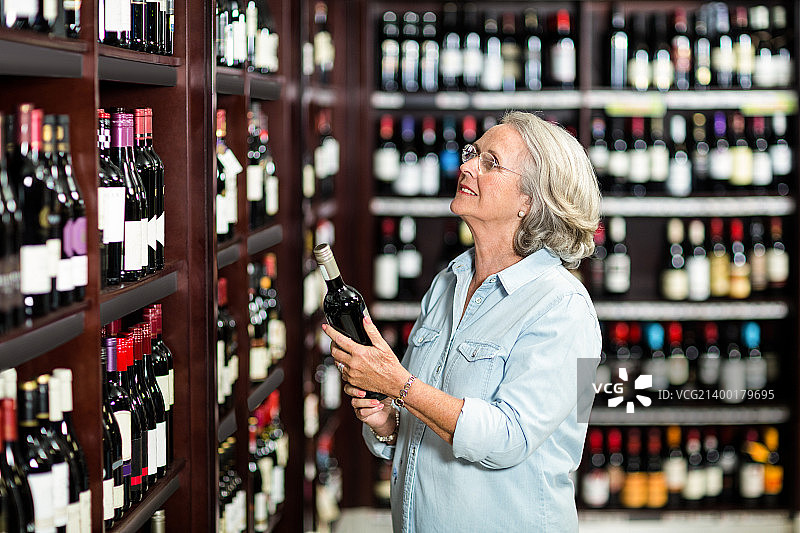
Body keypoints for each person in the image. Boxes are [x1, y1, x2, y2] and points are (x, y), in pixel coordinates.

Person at [322, 111, 602, 532]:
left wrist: (399, 384)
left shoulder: (563, 307)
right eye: (472, 153)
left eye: (490, 162)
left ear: (531, 201)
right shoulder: (448, 283)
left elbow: (509, 439)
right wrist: (388, 423)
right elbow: (425, 418)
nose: (466, 165)